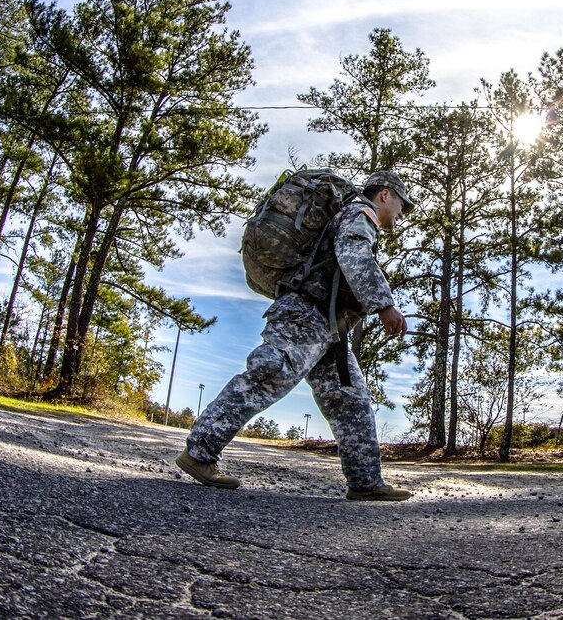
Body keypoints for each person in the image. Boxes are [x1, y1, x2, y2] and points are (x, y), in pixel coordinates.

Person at [176, 171, 415, 501]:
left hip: (329, 325)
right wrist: (385, 305)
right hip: (305, 314)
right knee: (270, 373)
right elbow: (354, 254)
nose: (404, 213)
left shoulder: (352, 212)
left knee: (350, 398)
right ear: (385, 195)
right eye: (404, 204)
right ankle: (200, 453)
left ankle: (365, 481)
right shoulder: (362, 211)